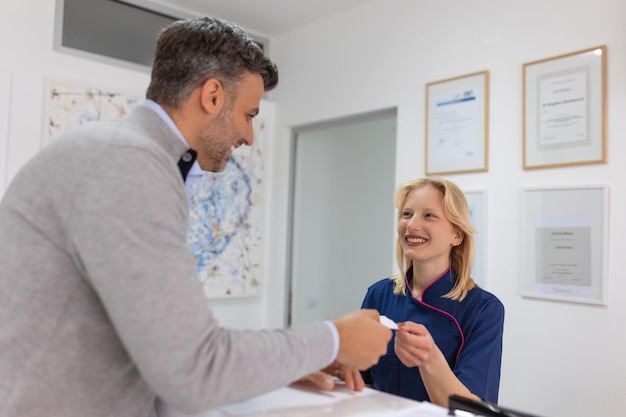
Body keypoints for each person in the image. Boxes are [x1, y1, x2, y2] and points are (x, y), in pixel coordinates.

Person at [0, 17, 392, 417]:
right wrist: (335, 339)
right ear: (212, 96)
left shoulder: (119, 154)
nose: (250, 136)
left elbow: (167, 348)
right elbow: (193, 369)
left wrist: (281, 364)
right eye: (250, 115)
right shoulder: (127, 163)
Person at [360, 177, 504, 407]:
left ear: (457, 235)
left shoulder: (483, 309)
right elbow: (362, 384)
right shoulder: (379, 295)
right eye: (407, 214)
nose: (412, 225)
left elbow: (471, 411)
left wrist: (430, 359)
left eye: (429, 215)